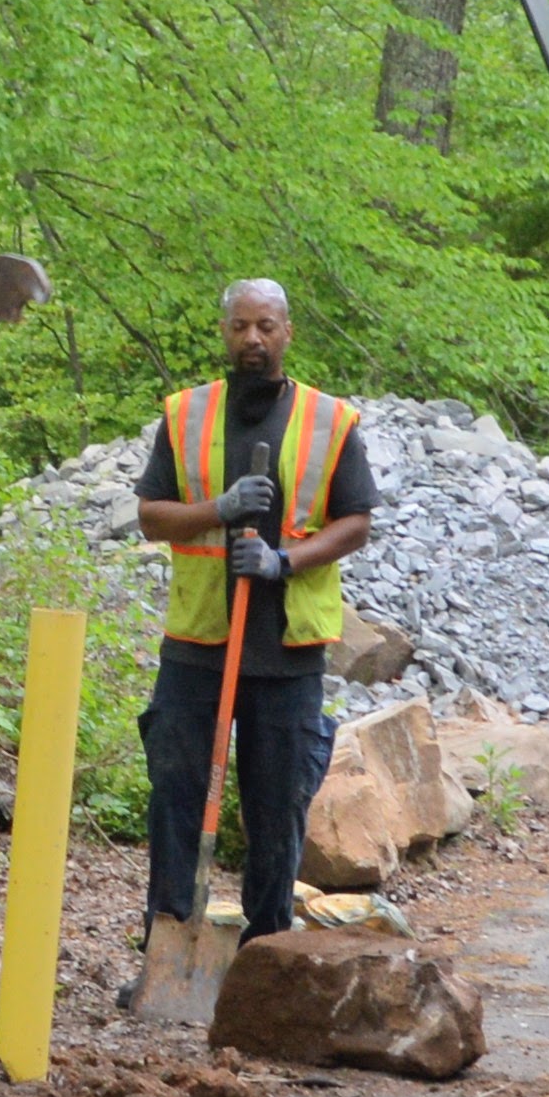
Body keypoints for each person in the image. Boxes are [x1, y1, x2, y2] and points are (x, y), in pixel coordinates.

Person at [127, 279, 380, 940]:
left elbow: (355, 522)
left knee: (276, 811)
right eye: (241, 326)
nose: (253, 340)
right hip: (198, 644)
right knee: (176, 802)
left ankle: (265, 954)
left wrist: (283, 562)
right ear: (225, 331)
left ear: (288, 332)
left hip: (287, 649)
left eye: (266, 326)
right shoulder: (186, 415)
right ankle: (170, 945)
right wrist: (220, 509)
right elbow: (152, 517)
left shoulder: (330, 421)